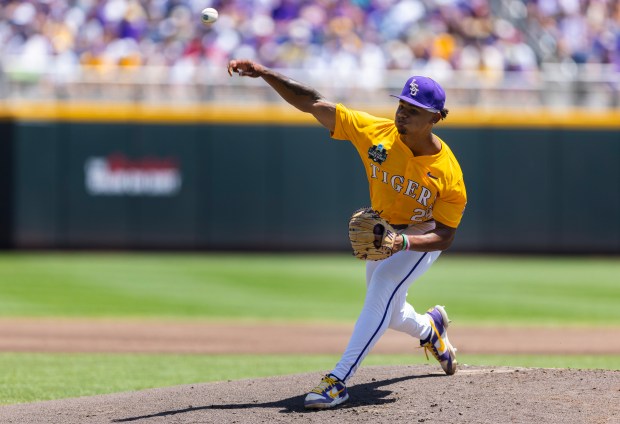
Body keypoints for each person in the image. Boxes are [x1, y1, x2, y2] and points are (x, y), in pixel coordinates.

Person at [227, 59, 467, 410]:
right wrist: (265, 73)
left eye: (414, 110)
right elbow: (313, 103)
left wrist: (405, 242)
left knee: (383, 288)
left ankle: (337, 381)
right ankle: (431, 329)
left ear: (436, 118)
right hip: (384, 230)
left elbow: (446, 235)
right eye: (401, 105)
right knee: (392, 312)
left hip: (421, 235)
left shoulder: (448, 174)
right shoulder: (376, 133)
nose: (402, 114)